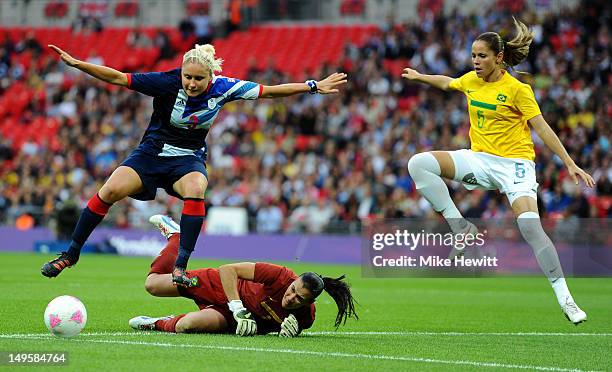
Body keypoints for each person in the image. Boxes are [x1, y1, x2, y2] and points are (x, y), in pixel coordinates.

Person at [41, 43, 347, 286]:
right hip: (151, 154)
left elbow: (269, 91)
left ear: (210, 77)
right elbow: (120, 78)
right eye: (187, 77)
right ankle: (71, 254)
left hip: (187, 158)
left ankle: (181, 266)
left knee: (197, 187)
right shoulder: (167, 82)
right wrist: (79, 64)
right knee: (109, 191)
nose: (191, 83)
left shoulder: (224, 87)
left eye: (198, 79)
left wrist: (312, 86)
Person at [401, 18, 594, 324]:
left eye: (482, 56)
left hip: (516, 165)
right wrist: (419, 76)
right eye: (473, 56)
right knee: (418, 163)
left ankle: (566, 300)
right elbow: (446, 82)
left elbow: (542, 129)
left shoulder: (518, 90)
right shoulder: (471, 81)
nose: (476, 61)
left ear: (498, 57)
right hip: (480, 160)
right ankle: (461, 228)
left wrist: (569, 163)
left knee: (531, 229)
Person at [128, 215, 358, 336]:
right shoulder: (281, 275)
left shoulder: (305, 317)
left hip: (227, 317)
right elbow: (228, 269)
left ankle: (155, 323)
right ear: (293, 282)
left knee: (187, 325)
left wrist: (293, 332)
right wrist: (238, 307)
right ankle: (177, 237)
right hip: (221, 286)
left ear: (310, 302)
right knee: (153, 285)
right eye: (293, 290)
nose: (291, 298)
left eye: (299, 299)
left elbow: (292, 326)